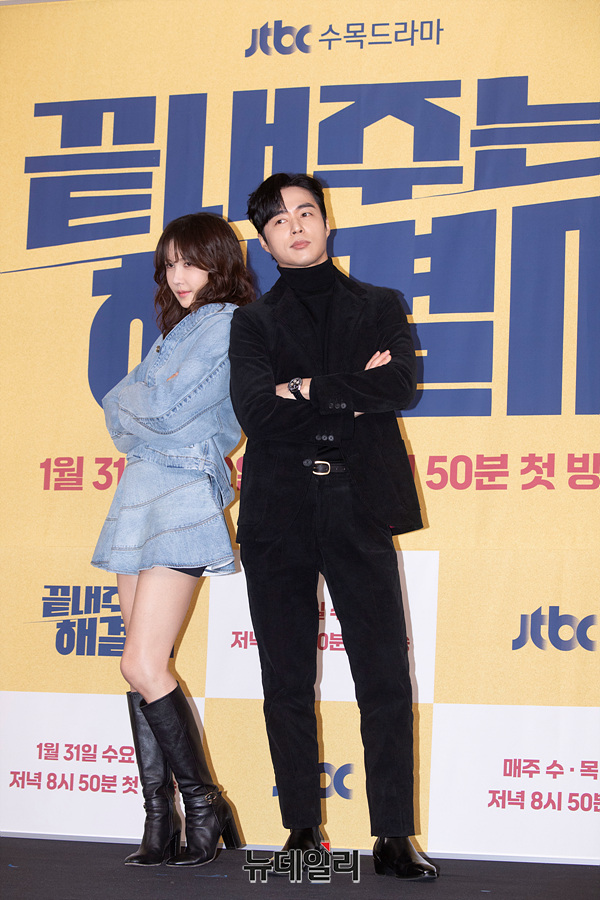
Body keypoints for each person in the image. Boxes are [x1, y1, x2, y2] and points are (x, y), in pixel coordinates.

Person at [228, 173, 437, 881]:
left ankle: (394, 835)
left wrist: (306, 387)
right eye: (278, 220)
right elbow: (257, 413)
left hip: (359, 499)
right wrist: (352, 389)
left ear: (327, 221)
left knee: (384, 673)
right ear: (264, 242)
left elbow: (399, 386)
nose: (295, 226)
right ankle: (301, 828)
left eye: (306, 212)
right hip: (278, 508)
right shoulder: (253, 322)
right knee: (285, 675)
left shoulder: (379, 304)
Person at [92, 212, 254, 867]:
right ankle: (160, 819)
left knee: (142, 664)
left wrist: (139, 405)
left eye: (191, 261)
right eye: (170, 264)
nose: (179, 275)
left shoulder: (228, 324)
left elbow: (156, 410)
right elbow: (116, 414)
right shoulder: (177, 331)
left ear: (221, 263)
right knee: (138, 665)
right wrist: (138, 407)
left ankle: (205, 804)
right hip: (140, 493)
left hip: (182, 494)